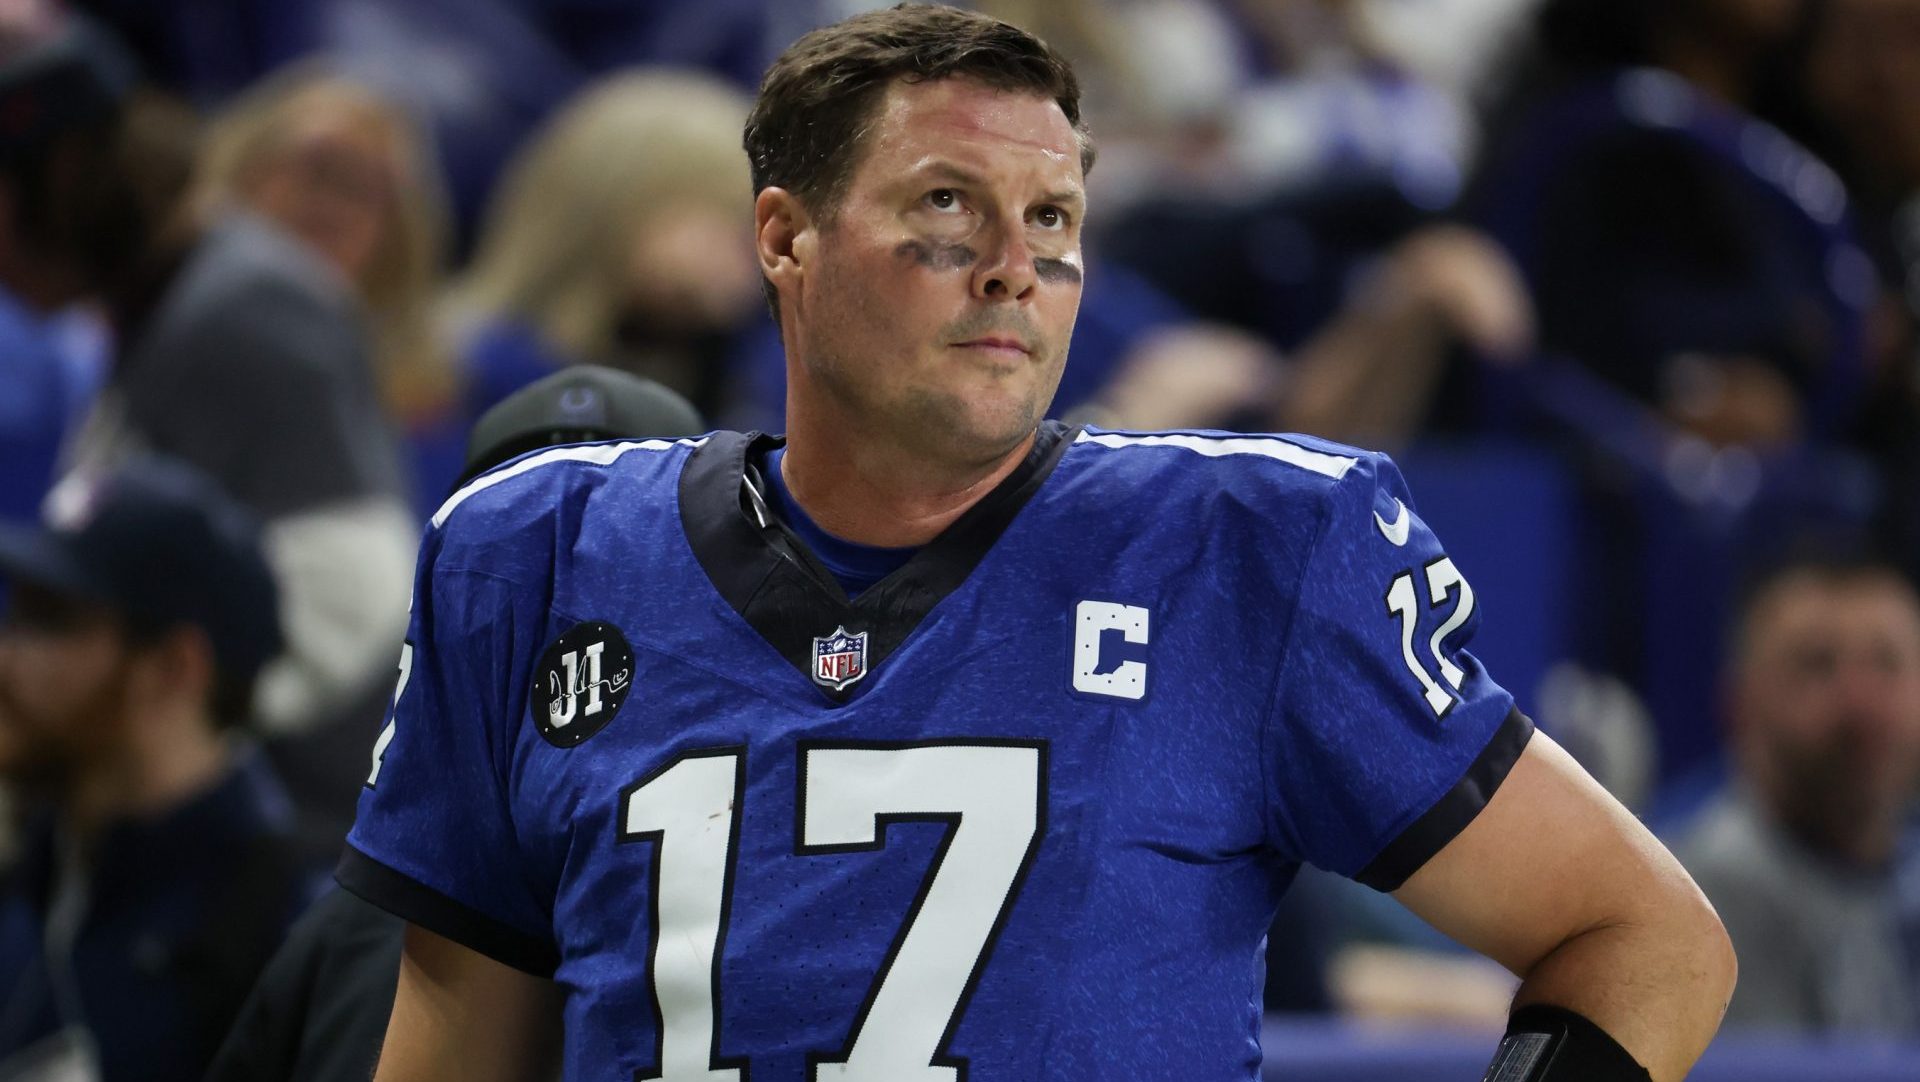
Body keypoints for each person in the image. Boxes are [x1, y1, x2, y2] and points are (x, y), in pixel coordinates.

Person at [340, 7, 1736, 1081]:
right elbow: (458, 1029)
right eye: (947, 203)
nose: (1015, 260)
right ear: (785, 238)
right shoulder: (534, 549)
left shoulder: (1250, 541)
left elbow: (1645, 936)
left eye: (1054, 216)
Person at [204, 367, 708, 1082]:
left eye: (602, 548)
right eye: (519, 548)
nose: (558, 599)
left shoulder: (740, 889)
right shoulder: (353, 928)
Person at [0, 10, 418, 836]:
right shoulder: (159, 307)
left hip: (284, 852)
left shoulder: (248, 309)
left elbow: (356, 590)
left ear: (67, 176)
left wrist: (142, 730)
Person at [0, 456, 323, 1082]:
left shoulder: (287, 945)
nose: (7, 657)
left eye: (50, 618)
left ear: (174, 668)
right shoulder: (39, 881)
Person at [1671, 554, 1920, 1034]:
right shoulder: (1701, 900)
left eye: (1888, 663)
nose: (1860, 702)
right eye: (1818, 665)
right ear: (1738, 702)